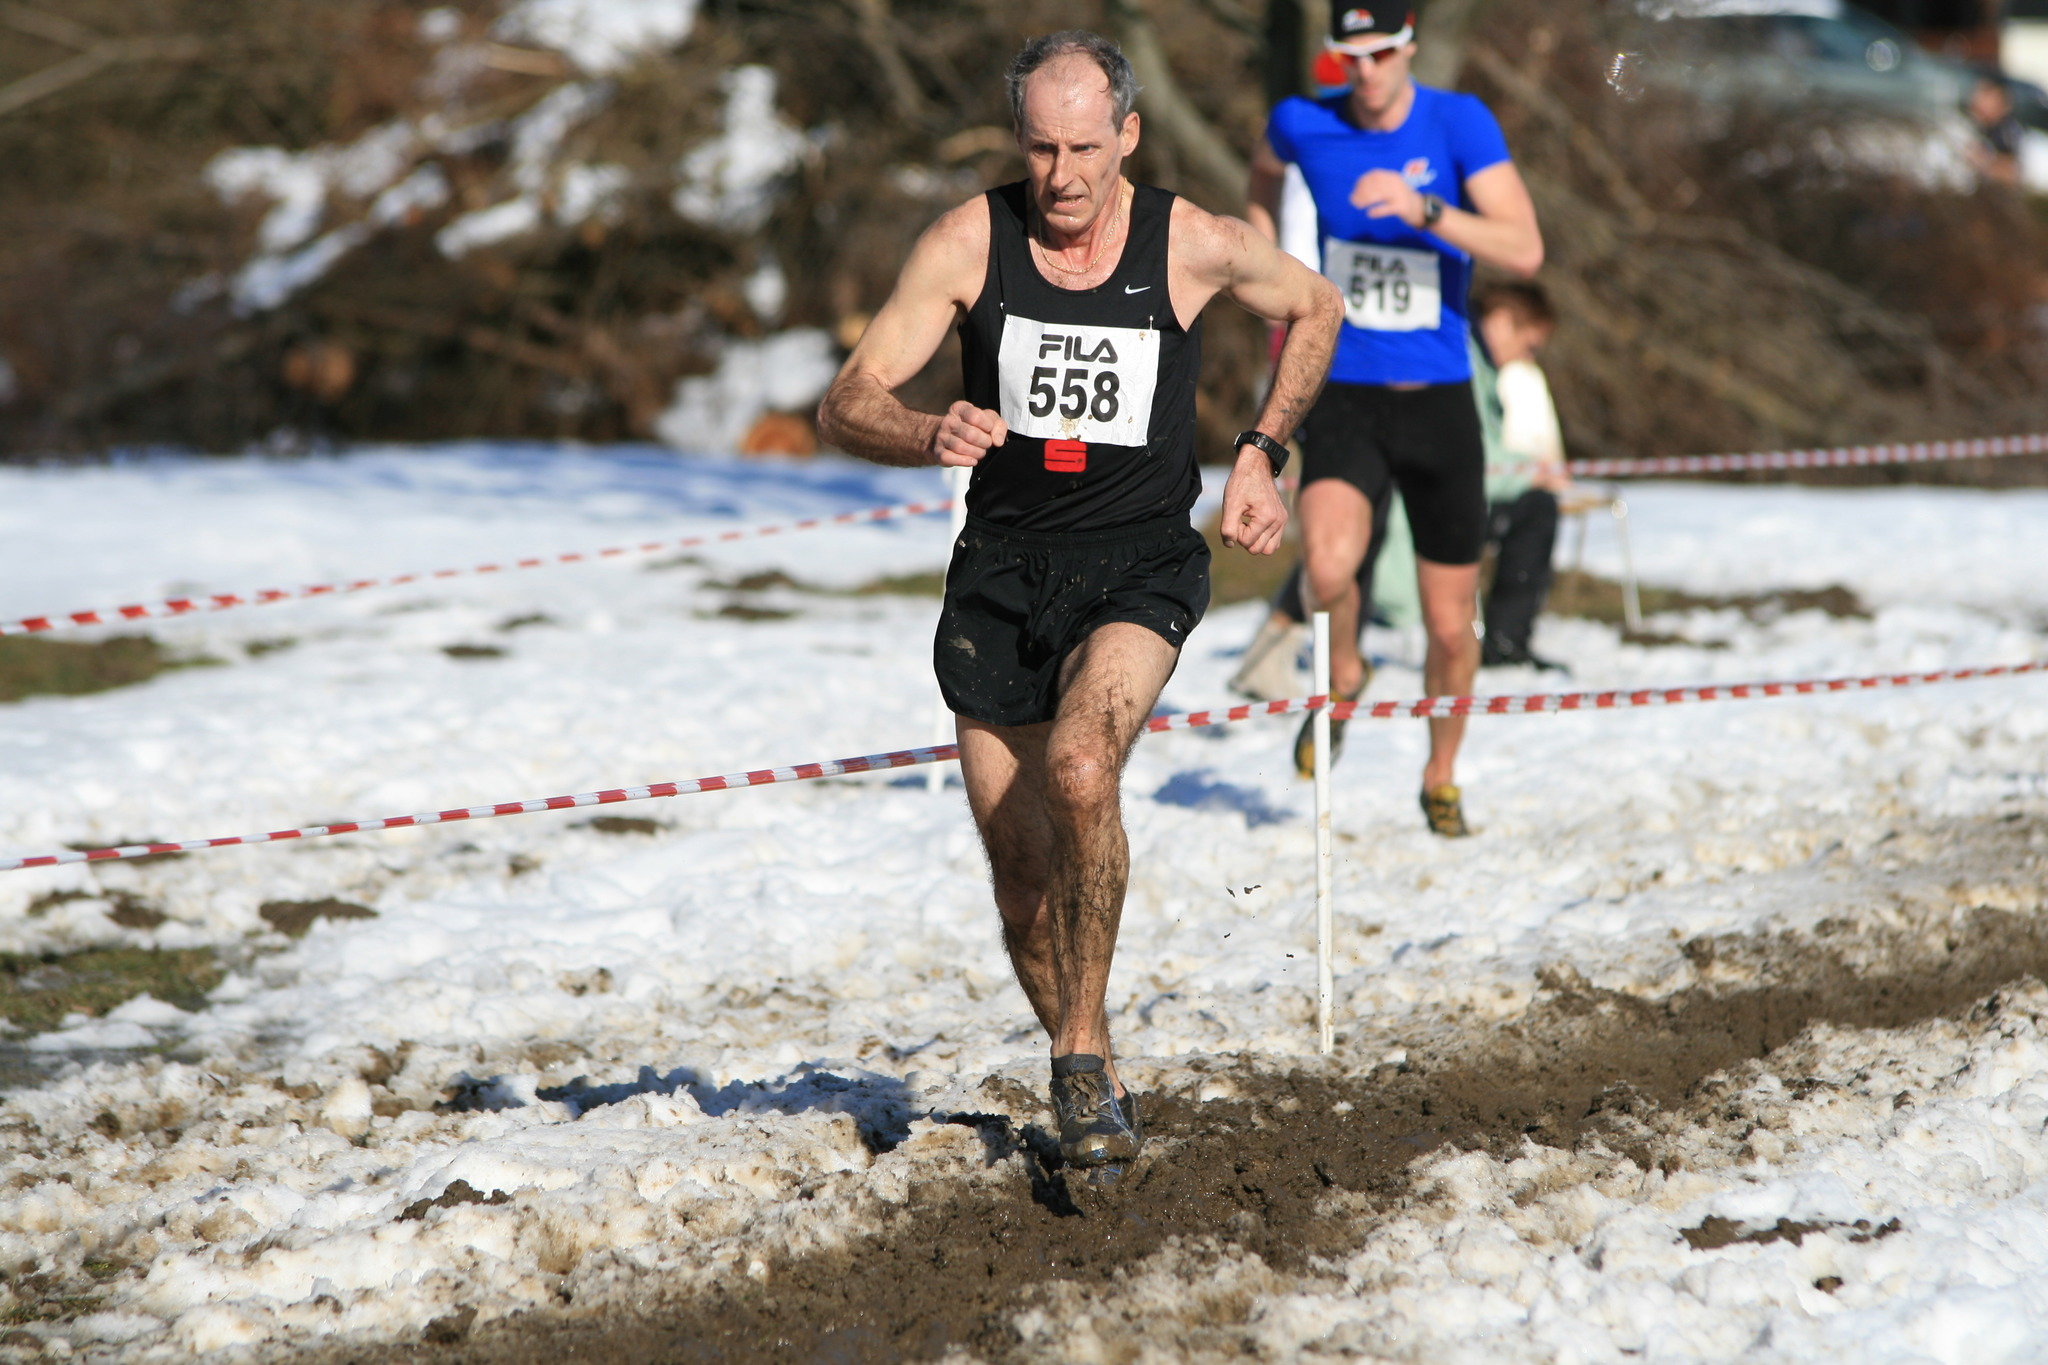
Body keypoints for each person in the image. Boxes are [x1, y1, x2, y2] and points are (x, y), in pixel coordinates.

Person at [816, 31, 1342, 1174]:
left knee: (1080, 769)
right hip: (1001, 572)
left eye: (1085, 149)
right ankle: (1081, 1047)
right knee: (1018, 878)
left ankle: (1081, 1057)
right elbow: (846, 398)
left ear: (1128, 138)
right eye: (1041, 148)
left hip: (1140, 562)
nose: (1062, 176)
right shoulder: (969, 239)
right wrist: (922, 431)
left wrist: (1261, 452)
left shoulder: (1190, 242)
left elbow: (1316, 308)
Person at [1247, 2, 1542, 838]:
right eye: (1351, 56)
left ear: (1408, 45)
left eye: (1381, 54)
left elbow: (1524, 249)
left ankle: (1440, 770)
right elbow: (1263, 173)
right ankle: (1343, 676)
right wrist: (1275, 266)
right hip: (1342, 390)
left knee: (1450, 623)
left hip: (1440, 398)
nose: (1367, 72)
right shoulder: (1303, 121)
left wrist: (1427, 213)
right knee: (1328, 570)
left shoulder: (1458, 121)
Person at [1473, 280, 1568, 670]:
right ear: (1498, 322)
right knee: (1535, 508)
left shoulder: (1480, 363)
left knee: (1535, 503)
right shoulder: (1466, 360)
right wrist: (1531, 474)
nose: (1528, 358)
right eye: (1529, 345)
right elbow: (1473, 456)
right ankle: (1505, 642)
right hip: (1434, 499)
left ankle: (1505, 640)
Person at [1966, 74, 2023, 188]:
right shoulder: (1965, 123)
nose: (1976, 97)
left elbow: (2009, 172)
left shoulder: (2006, 131)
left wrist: (1984, 163)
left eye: (1986, 94)